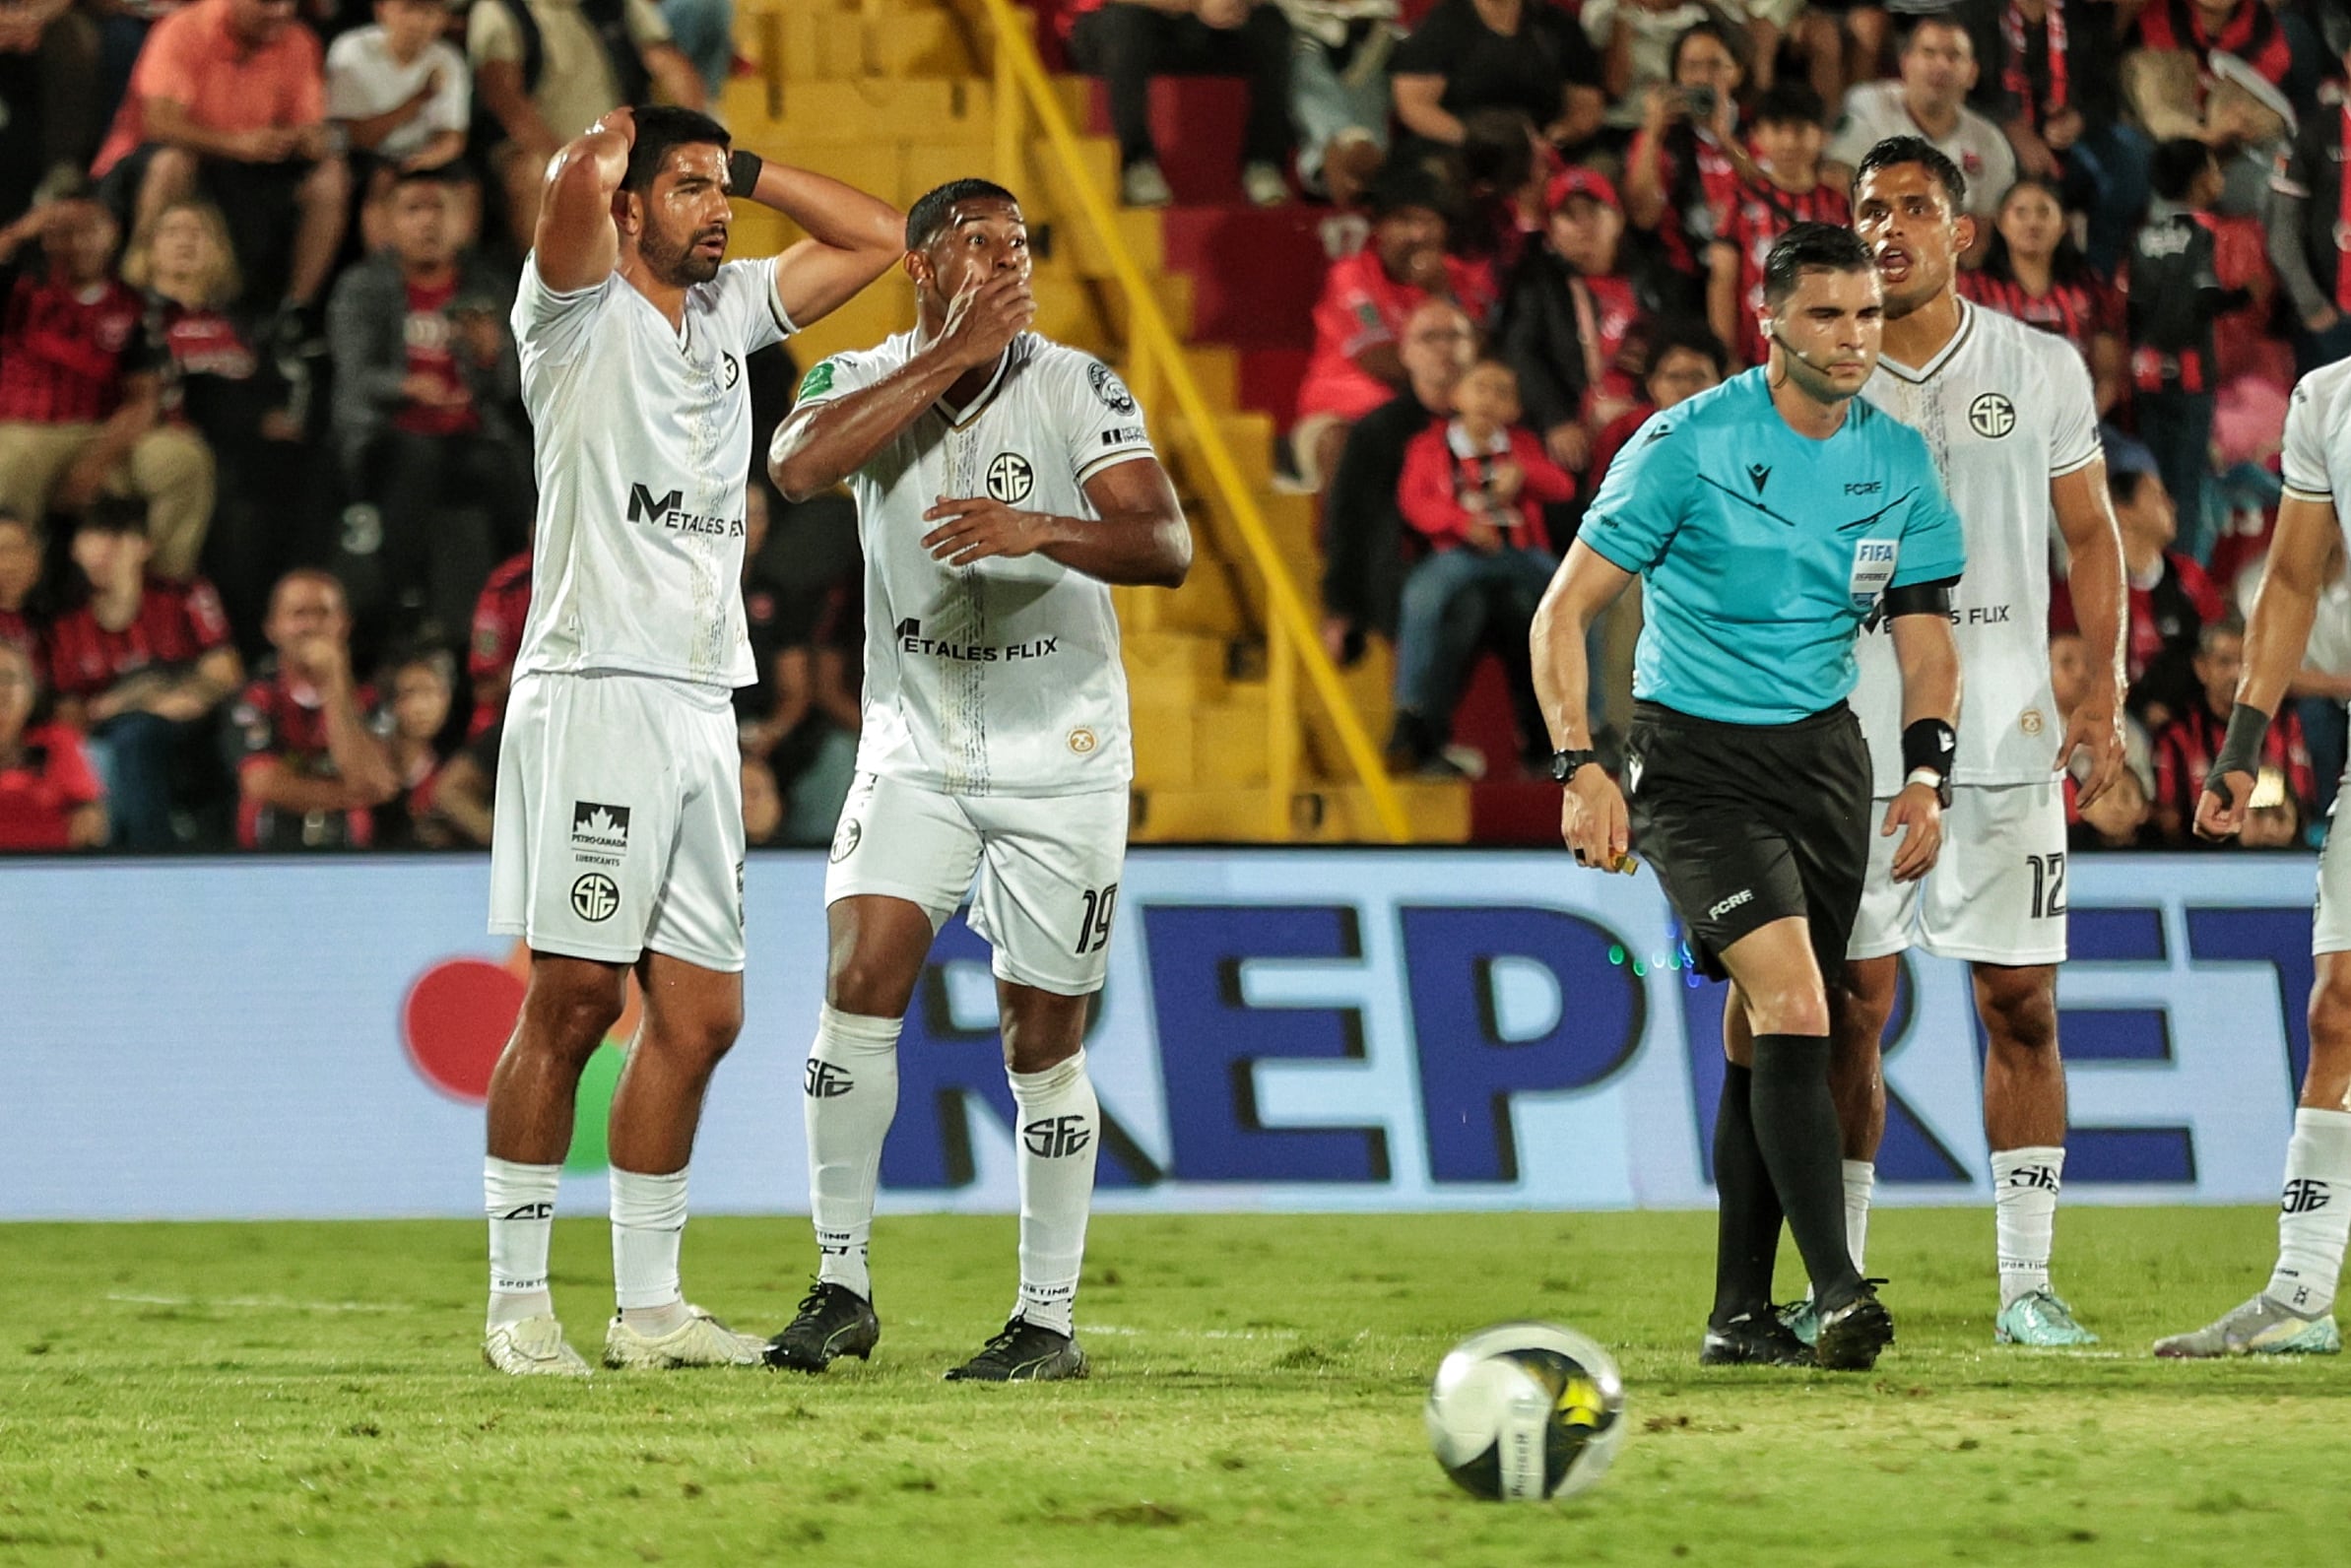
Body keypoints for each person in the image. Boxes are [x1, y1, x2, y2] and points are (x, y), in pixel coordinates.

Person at [478, 103, 902, 1378]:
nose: (716, 212)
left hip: (699, 702)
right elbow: (566, 175)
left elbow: (879, 235)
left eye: (723, 193)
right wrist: (620, 131)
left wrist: (740, 167)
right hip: (595, 686)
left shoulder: (730, 313)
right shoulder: (569, 314)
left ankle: (650, 1310)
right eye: (686, 190)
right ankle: (517, 1307)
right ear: (624, 208)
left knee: (703, 1016)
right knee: (570, 1001)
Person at [764, 177, 1191, 1382]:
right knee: (856, 984)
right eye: (977, 243)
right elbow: (798, 468)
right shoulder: (855, 377)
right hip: (916, 747)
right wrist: (950, 352)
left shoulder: (1076, 385)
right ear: (919, 263)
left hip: (1061, 761)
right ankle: (839, 1282)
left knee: (1040, 1039)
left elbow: (1163, 544)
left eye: (1019, 244)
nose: (1009, 260)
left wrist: (1038, 531)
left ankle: (1045, 1317)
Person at [1531, 221, 1964, 1372]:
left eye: (1867, 314)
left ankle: (1736, 1310)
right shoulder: (1684, 444)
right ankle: (1834, 1289)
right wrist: (1578, 765)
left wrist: (1927, 775)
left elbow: (1925, 642)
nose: (1851, 337)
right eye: (1825, 314)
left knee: (1761, 1020)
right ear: (1766, 320)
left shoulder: (1899, 460)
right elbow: (1560, 613)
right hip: (1695, 763)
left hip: (1825, 761)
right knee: (1795, 1006)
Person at [1814, 136, 2127, 1349]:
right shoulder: (1815, 374)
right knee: (1849, 1006)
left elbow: (2090, 538)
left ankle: (2024, 1285)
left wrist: (2096, 695)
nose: (1885, 228)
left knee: (2021, 1007)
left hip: (2005, 737)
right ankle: (1838, 1273)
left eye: (1910, 209)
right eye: (1866, 210)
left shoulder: (2038, 366)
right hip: (1851, 738)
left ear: (1962, 233)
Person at [2152, 352, 2351, 1357]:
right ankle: (2300, 1288)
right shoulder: (2325, 398)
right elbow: (2287, 581)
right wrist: (2238, 747)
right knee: (2335, 1005)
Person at [326, 168, 523, 652]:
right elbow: (355, 375)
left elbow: (513, 386)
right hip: (385, 436)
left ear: (461, 222)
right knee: (417, 460)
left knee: (508, 467)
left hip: (468, 436)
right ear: (390, 223)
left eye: (439, 209)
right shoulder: (363, 287)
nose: (428, 223)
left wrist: (489, 356)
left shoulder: (488, 287)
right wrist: (407, 385)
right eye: (414, 209)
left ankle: (515, 607)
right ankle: (403, 599)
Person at [91, 0, 352, 331]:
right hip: (165, 154)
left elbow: (310, 127)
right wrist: (236, 144)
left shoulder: (298, 40)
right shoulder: (183, 29)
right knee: (173, 163)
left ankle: (292, 317)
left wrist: (307, 140)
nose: (280, 12)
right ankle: (147, 302)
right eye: (266, 4)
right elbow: (159, 122)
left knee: (331, 177)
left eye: (287, 3)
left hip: (250, 163)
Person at [0, 199, 213, 579]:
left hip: (103, 432)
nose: (80, 243)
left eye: (90, 232)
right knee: (6, 463)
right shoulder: (19, 290)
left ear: (112, 235)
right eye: (66, 233)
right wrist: (21, 230)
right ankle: (16, 593)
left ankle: (166, 589)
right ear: (49, 240)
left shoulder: (133, 304)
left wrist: (93, 465)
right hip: (26, 431)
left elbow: (143, 399)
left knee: (182, 460)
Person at [1392, 357, 1572, 773]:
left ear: (1515, 409)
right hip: (1459, 554)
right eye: (1481, 387)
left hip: (1519, 553)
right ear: (1456, 396)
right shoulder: (1430, 446)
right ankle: (1410, 709)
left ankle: (1589, 717)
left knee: (1575, 600)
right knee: (1423, 596)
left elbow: (1562, 486)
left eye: (1502, 392)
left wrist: (1525, 474)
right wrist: (1461, 524)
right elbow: (1415, 502)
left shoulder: (1521, 447)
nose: (1490, 400)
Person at [40, 499, 242, 849]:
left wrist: (129, 701)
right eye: (93, 536)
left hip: (194, 731)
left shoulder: (183, 595)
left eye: (118, 537)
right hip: (116, 738)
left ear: (145, 546)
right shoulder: (66, 623)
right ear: (75, 549)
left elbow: (226, 672)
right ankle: (145, 854)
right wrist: (140, 699)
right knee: (128, 738)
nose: (105, 549)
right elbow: (73, 717)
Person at [1291, 166, 1491, 491]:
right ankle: (1343, 543)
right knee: (1344, 444)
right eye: (1403, 221)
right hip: (1344, 414)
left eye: (1427, 222)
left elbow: (1484, 353)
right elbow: (1380, 361)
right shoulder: (1351, 274)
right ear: (1380, 227)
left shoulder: (1457, 278)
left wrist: (1441, 295)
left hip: (1439, 413)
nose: (1417, 235)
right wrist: (1448, 366)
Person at [468, 0, 706, 255]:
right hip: (539, 148)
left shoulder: (622, 6)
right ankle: (552, 285)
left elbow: (668, 63)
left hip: (618, 144)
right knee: (531, 172)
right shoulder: (499, 10)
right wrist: (572, 162)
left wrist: (695, 132)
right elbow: (506, 101)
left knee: (679, 167)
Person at [1322, 297, 1476, 669]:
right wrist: (1340, 607)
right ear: (1405, 353)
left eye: (1454, 335)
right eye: (1429, 337)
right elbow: (1348, 521)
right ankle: (1418, 720)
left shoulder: (1505, 425)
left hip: (1494, 565)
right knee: (1464, 606)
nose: (1444, 348)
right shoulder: (1377, 432)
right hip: (1405, 573)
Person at [227, 568, 400, 851]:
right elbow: (261, 783)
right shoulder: (255, 696)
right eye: (298, 614)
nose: (311, 626)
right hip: (265, 859)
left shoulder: (370, 698)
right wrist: (354, 793)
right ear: (272, 628)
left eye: (323, 613)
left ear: (345, 624)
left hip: (355, 860)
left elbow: (376, 780)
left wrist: (335, 683)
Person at [1062, 0, 1294, 209]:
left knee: (1271, 24)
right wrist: (1195, 4)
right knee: (1125, 23)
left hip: (1195, 27)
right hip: (1115, 23)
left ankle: (1263, 163)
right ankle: (1137, 162)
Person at [1826, 15, 2015, 236]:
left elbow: (1985, 231)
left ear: (1972, 73)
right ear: (1905, 62)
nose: (1941, 66)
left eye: (1953, 56)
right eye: (1929, 53)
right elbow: (1834, 178)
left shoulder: (1989, 141)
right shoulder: (1869, 105)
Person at [1708, 81, 1848, 370]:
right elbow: (1723, 281)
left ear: (1822, 136)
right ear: (1758, 135)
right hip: (1756, 358)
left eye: (1799, 130)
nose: (1788, 141)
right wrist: (1726, 354)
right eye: (1776, 129)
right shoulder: (1740, 202)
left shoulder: (1839, 204)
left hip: (1827, 358)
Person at [1958, 175, 2124, 415]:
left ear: (2064, 224)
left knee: (2136, 455)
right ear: (2001, 222)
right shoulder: (1973, 289)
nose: (2033, 223)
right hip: (1994, 426)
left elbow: (2108, 374)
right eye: (2021, 212)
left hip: (2075, 424)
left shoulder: (2088, 286)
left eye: (2044, 212)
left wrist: (2081, 427)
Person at [2150, 619, 2315, 846]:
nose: (2236, 674)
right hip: (2202, 860)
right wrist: (2234, 835)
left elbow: (2304, 800)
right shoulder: (2177, 733)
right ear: (2201, 668)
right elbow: (2169, 820)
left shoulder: (2286, 723)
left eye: (2245, 663)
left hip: (2281, 852)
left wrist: (2279, 823)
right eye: (2224, 662)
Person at [1388, 0, 1605, 163]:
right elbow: (1414, 105)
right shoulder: (1443, 25)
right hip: (1459, 149)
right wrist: (1476, 142)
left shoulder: (1559, 27)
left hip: (1544, 151)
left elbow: (1586, 106)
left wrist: (1555, 138)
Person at [0, 637, 105, 851]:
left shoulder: (58, 742)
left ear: (31, 694)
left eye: (10, 679)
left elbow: (91, 822)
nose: (1, 689)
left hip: (50, 873)